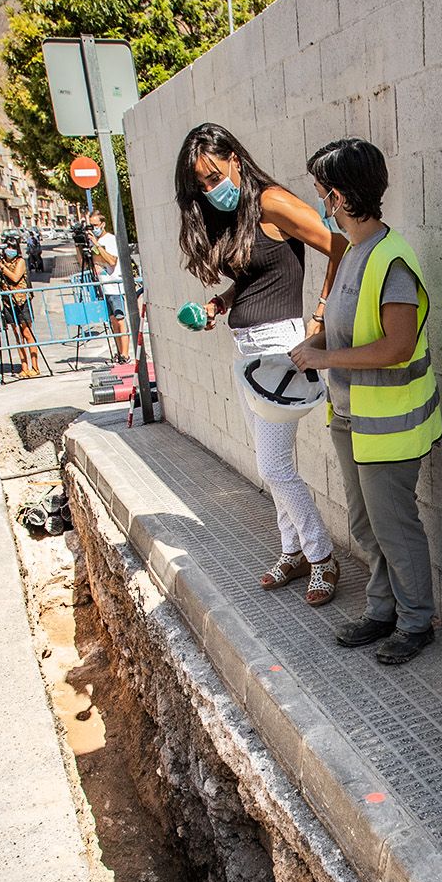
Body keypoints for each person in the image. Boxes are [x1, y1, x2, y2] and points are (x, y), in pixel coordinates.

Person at [175, 122, 350, 607]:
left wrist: (320, 313)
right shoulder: (236, 216)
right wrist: (218, 305)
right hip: (247, 349)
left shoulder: (270, 201)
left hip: (280, 349)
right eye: (202, 186)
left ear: (234, 157)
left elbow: (340, 246)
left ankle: (321, 556)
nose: (212, 191)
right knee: (267, 463)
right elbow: (254, 279)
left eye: (215, 177)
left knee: (273, 465)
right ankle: (292, 550)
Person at [288, 138, 440, 665]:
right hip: (353, 419)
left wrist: (325, 360)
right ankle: (382, 611)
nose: (321, 204)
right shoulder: (353, 254)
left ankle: (417, 622)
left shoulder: (392, 261)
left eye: (321, 193)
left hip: (390, 426)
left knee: (394, 526)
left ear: (339, 195)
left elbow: (396, 346)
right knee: (363, 524)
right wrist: (315, 344)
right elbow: (344, 328)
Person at [0, 232, 42, 378]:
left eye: (12, 247)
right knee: (17, 335)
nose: (9, 250)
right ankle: (24, 367)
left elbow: (15, 277)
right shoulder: (1, 261)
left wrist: (2, 268)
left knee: (27, 333)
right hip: (8, 302)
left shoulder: (20, 261)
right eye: (7, 247)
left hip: (21, 301)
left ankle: (35, 367)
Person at [89, 214, 131, 364]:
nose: (93, 229)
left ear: (103, 224)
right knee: (113, 322)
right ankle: (120, 352)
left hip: (115, 286)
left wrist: (98, 246)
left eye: (95, 225)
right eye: (91, 226)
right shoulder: (96, 242)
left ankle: (125, 354)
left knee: (120, 321)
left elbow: (112, 261)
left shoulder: (110, 240)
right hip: (105, 287)